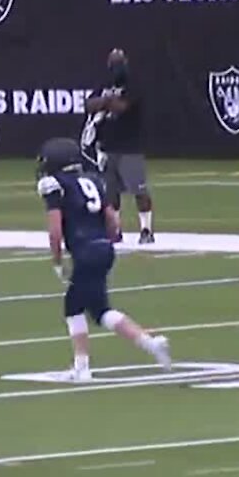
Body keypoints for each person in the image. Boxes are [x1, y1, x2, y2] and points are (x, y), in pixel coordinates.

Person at [35, 137, 172, 381]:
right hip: (103, 248)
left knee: (73, 307)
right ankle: (151, 344)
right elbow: (112, 219)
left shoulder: (54, 184)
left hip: (85, 250)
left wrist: (57, 260)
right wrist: (105, 241)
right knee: (100, 311)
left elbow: (55, 229)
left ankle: (82, 367)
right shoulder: (92, 179)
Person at [83, 48, 155, 244]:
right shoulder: (105, 85)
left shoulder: (134, 84)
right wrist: (106, 101)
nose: (116, 67)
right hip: (108, 146)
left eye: (119, 62)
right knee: (111, 194)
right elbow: (88, 104)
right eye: (113, 63)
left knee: (139, 190)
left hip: (130, 146)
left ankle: (146, 229)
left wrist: (104, 102)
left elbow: (122, 107)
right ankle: (115, 230)